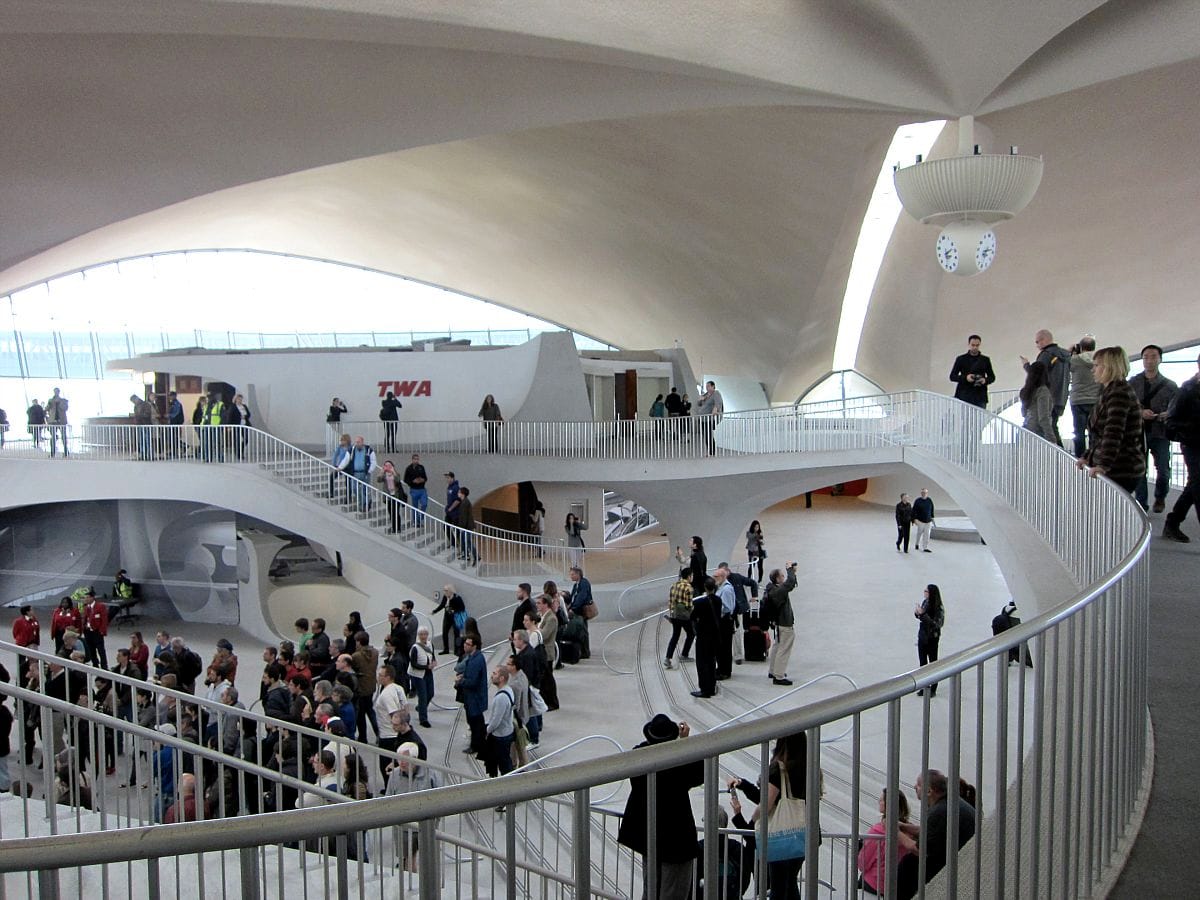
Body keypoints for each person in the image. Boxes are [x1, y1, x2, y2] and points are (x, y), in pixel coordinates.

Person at [617, 714, 704, 900]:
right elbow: (699, 772)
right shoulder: (677, 764)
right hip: (676, 840)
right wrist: (684, 743)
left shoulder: (640, 759)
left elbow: (638, 750)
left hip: (650, 837)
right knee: (674, 892)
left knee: (651, 891)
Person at [729, 731, 812, 899]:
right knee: (790, 883)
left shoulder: (779, 770)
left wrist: (750, 821)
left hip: (781, 836)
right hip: (802, 834)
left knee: (778, 886)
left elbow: (766, 802)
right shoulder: (808, 769)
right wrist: (744, 785)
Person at [1076, 346, 1146, 495]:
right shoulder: (1109, 391)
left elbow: (1113, 432)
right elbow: (1100, 435)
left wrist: (1103, 465)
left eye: (1096, 365)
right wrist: (1088, 457)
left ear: (1109, 367)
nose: (1092, 370)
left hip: (1121, 469)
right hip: (1117, 467)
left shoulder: (1118, 393)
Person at [897, 770, 976, 892]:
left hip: (944, 872)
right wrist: (904, 826)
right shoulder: (950, 804)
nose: (914, 787)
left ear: (929, 791)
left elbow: (920, 850)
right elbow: (931, 832)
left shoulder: (940, 812)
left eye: (918, 785)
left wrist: (895, 832)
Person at [1129, 344, 1179, 512]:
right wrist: (1141, 412)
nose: (1149, 360)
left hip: (1160, 432)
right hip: (1139, 431)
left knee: (1163, 469)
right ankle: (1141, 503)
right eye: (1146, 357)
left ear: (1160, 359)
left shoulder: (1170, 386)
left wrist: (1167, 414)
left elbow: (1177, 407)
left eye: (1153, 356)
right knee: (1140, 469)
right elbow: (1128, 405)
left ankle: (1160, 496)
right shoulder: (1133, 383)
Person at [1164, 352, 1200, 542]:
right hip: (1192, 444)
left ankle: (1173, 521)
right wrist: (1193, 426)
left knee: (1194, 485)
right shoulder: (1187, 390)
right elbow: (1171, 421)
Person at [857, 789, 915, 896]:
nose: (879, 801)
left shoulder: (876, 831)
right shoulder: (910, 831)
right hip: (900, 886)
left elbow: (863, 863)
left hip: (876, 883)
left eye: (882, 799)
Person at [1020, 329, 1070, 447]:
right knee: (1053, 425)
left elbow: (1036, 374)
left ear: (1044, 340)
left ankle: (1059, 456)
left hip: (1049, 397)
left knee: (1049, 427)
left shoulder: (1046, 355)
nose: (1037, 345)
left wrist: (1027, 365)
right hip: (1061, 396)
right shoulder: (1066, 356)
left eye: (1037, 342)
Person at [763, 563, 798, 686]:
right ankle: (779, 675)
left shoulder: (771, 588)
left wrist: (792, 573)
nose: (784, 578)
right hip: (785, 623)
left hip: (778, 623)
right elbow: (790, 583)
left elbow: (790, 584)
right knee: (784, 649)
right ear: (777, 579)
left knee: (777, 646)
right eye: (782, 576)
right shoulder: (779, 591)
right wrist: (790, 570)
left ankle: (773, 670)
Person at [689, 577, 721, 698]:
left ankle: (704, 689)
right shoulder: (718, 601)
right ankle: (711, 687)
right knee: (711, 662)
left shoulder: (700, 603)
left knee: (701, 663)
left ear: (705, 588)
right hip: (714, 636)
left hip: (703, 636)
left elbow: (692, 616)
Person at [456, 635, 488, 755]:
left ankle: (476, 745)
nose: (465, 645)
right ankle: (479, 742)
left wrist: (461, 681)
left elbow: (473, 681)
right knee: (476, 721)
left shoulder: (476, 660)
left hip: (474, 698)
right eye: (465, 643)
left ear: (474, 646)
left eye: (468, 644)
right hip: (472, 697)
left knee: (475, 723)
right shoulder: (472, 657)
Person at [1069, 335, 1100, 457]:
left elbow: (1068, 366)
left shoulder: (1075, 360)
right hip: (1095, 400)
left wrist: (1072, 352)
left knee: (1079, 432)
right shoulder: (1099, 360)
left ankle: (1080, 457)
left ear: (1081, 347)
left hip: (1078, 400)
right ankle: (1094, 456)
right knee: (1095, 431)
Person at [484, 666, 516, 779]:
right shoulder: (508, 690)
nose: (492, 675)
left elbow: (496, 721)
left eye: (495, 673)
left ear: (502, 678)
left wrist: (487, 731)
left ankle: (508, 783)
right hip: (507, 731)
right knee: (505, 760)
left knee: (504, 763)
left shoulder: (501, 697)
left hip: (501, 736)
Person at [948, 334, 996, 408]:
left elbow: (992, 377)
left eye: (977, 345)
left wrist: (984, 380)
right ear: (969, 345)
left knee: (980, 418)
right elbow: (952, 377)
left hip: (980, 395)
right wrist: (966, 378)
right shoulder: (961, 359)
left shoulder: (985, 360)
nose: (975, 347)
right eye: (973, 345)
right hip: (965, 395)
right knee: (967, 418)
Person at [914, 584, 945, 697]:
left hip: (932, 638)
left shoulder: (938, 608)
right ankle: (924, 686)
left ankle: (933, 687)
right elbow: (921, 617)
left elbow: (937, 624)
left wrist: (923, 614)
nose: (924, 592)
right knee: (923, 663)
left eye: (926, 591)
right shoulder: (925, 602)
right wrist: (917, 613)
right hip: (923, 637)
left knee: (933, 662)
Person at [664, 567, 696, 669]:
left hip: (674, 615)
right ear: (689, 576)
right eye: (692, 575)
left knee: (675, 635)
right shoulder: (689, 588)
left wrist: (672, 615)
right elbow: (689, 605)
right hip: (684, 617)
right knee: (691, 633)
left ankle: (668, 658)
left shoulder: (674, 585)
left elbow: (670, 602)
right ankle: (684, 654)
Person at [408, 627, 437, 727]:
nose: (423, 636)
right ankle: (423, 719)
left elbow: (432, 654)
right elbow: (413, 664)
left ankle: (420, 707)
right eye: (421, 634)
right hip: (418, 675)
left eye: (425, 634)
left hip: (428, 672)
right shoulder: (415, 647)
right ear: (418, 636)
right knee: (423, 696)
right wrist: (426, 667)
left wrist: (433, 661)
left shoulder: (429, 644)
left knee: (431, 693)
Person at [1020, 360, 1056, 440]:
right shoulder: (1043, 391)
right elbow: (1043, 417)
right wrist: (1051, 438)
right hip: (1038, 432)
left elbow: (1023, 413)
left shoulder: (1026, 391)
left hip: (1025, 429)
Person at [340, 435, 377, 511]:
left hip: (365, 473)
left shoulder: (368, 450)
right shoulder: (352, 450)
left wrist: (370, 470)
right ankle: (365, 502)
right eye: (356, 442)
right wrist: (340, 467)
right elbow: (346, 459)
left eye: (358, 442)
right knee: (354, 488)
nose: (357, 444)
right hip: (355, 473)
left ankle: (364, 505)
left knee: (365, 489)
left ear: (362, 442)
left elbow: (373, 461)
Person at [712, 567, 737, 680]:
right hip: (721, 621)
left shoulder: (726, 589)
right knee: (720, 647)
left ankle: (725, 671)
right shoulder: (720, 587)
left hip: (725, 621)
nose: (714, 578)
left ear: (722, 577)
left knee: (724, 647)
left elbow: (727, 607)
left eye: (716, 576)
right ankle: (721, 668)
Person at [566, 566, 594, 659]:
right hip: (577, 609)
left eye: (573, 574)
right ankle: (582, 650)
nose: (571, 576)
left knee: (583, 631)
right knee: (581, 630)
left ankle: (585, 651)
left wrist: (573, 608)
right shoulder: (576, 585)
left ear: (578, 574)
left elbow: (581, 597)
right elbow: (573, 597)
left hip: (581, 610)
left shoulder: (584, 583)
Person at [432, 584, 466, 655]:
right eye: (444, 590)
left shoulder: (457, 598)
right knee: (444, 633)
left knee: (456, 634)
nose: (445, 592)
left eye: (446, 590)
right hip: (447, 617)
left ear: (451, 591)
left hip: (455, 617)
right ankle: (446, 649)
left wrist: (454, 610)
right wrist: (435, 611)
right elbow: (442, 605)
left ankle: (457, 650)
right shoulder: (445, 597)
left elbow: (462, 608)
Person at [376, 459, 408, 533]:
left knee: (396, 512)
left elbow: (398, 480)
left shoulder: (396, 474)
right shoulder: (384, 475)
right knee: (390, 512)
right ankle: (393, 527)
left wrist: (393, 471)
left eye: (389, 465)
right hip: (388, 496)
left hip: (395, 495)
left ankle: (398, 528)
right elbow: (378, 479)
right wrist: (382, 471)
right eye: (386, 465)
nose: (387, 467)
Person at [81, 588, 109, 669]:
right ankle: (95, 664)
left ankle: (104, 666)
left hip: (97, 632)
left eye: (87, 597)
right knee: (91, 649)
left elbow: (104, 620)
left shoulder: (100, 606)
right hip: (88, 632)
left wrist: (102, 631)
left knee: (101, 650)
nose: (85, 599)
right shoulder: (86, 608)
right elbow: (84, 619)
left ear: (92, 598)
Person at [695, 380, 724, 455]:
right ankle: (709, 451)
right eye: (706, 386)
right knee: (705, 435)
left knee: (709, 435)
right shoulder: (705, 394)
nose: (707, 388)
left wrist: (715, 409)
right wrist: (701, 400)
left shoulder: (716, 393)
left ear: (713, 386)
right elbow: (699, 404)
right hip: (702, 419)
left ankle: (712, 452)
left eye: (708, 386)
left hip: (709, 419)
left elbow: (718, 402)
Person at [402, 453, 428, 527]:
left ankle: (420, 518)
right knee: (415, 506)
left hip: (422, 489)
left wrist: (422, 480)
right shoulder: (409, 468)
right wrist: (412, 481)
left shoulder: (421, 467)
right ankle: (416, 522)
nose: (416, 461)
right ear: (412, 460)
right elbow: (405, 479)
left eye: (417, 459)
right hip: (414, 489)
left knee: (424, 504)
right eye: (415, 459)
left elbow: (425, 478)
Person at [130, 392, 156, 459]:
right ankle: (143, 454)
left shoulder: (145, 404)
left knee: (147, 440)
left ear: (136, 399)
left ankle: (150, 454)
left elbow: (147, 414)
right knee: (141, 440)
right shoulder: (136, 406)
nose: (133, 402)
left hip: (146, 424)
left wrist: (138, 416)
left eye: (133, 401)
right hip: (140, 425)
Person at [457, 486, 478, 565]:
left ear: (462, 494)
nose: (458, 494)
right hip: (467, 526)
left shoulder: (465, 503)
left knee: (468, 542)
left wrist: (462, 527)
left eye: (459, 492)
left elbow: (464, 516)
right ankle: (466, 555)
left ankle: (475, 556)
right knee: (463, 541)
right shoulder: (464, 502)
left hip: (467, 527)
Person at [45, 387, 69, 457]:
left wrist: (59, 403)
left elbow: (65, 408)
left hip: (61, 421)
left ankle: (65, 452)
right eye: (55, 391)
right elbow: (46, 409)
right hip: (53, 421)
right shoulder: (50, 400)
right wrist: (50, 404)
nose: (56, 393)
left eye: (57, 391)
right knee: (53, 437)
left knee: (64, 437)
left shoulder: (63, 400)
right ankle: (52, 452)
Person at [329, 432, 352, 501]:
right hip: (339, 465)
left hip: (347, 467)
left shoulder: (350, 448)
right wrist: (334, 464)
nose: (341, 442)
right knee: (331, 477)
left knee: (347, 482)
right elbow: (335, 455)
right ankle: (331, 493)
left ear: (347, 441)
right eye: (341, 440)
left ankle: (348, 498)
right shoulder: (339, 447)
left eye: (343, 440)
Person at [911, 488, 935, 553]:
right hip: (920, 521)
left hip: (928, 521)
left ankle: (925, 547)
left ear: (927, 493)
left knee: (927, 535)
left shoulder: (929, 500)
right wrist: (914, 519)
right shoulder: (917, 501)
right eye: (923, 493)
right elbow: (914, 511)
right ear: (921, 493)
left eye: (925, 493)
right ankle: (917, 543)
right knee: (919, 533)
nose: (924, 494)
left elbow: (932, 509)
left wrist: (932, 517)